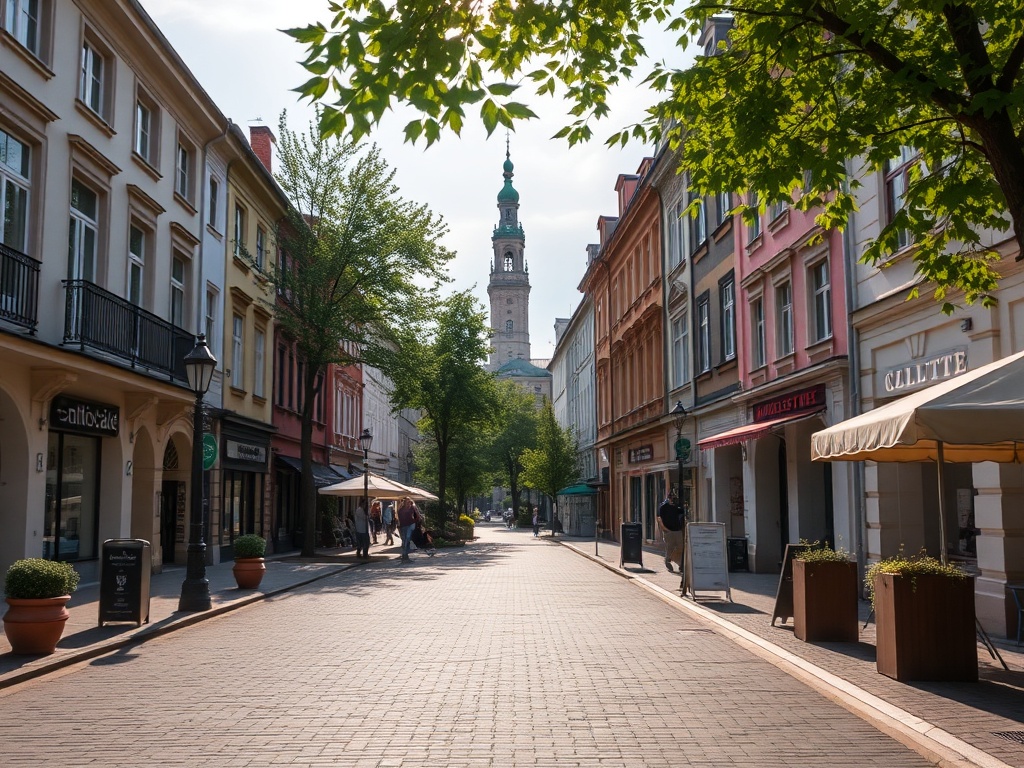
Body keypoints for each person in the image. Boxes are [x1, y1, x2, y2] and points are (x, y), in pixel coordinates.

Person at [657, 492, 685, 573]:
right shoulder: (663, 507)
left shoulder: (677, 507)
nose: (673, 500)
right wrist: (665, 529)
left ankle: (678, 563)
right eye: (671, 498)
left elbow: (682, 514)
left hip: (678, 530)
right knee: (670, 548)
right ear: (668, 498)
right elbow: (659, 519)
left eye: (674, 498)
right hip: (668, 530)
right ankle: (667, 561)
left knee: (680, 547)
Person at [397, 496, 420, 562]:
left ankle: (405, 555)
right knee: (404, 540)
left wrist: (415, 521)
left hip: (410, 524)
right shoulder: (401, 509)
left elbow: (416, 515)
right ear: (404, 502)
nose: (408, 503)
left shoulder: (412, 508)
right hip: (403, 525)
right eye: (407, 501)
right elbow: (399, 518)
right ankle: (405, 555)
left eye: (409, 501)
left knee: (407, 538)